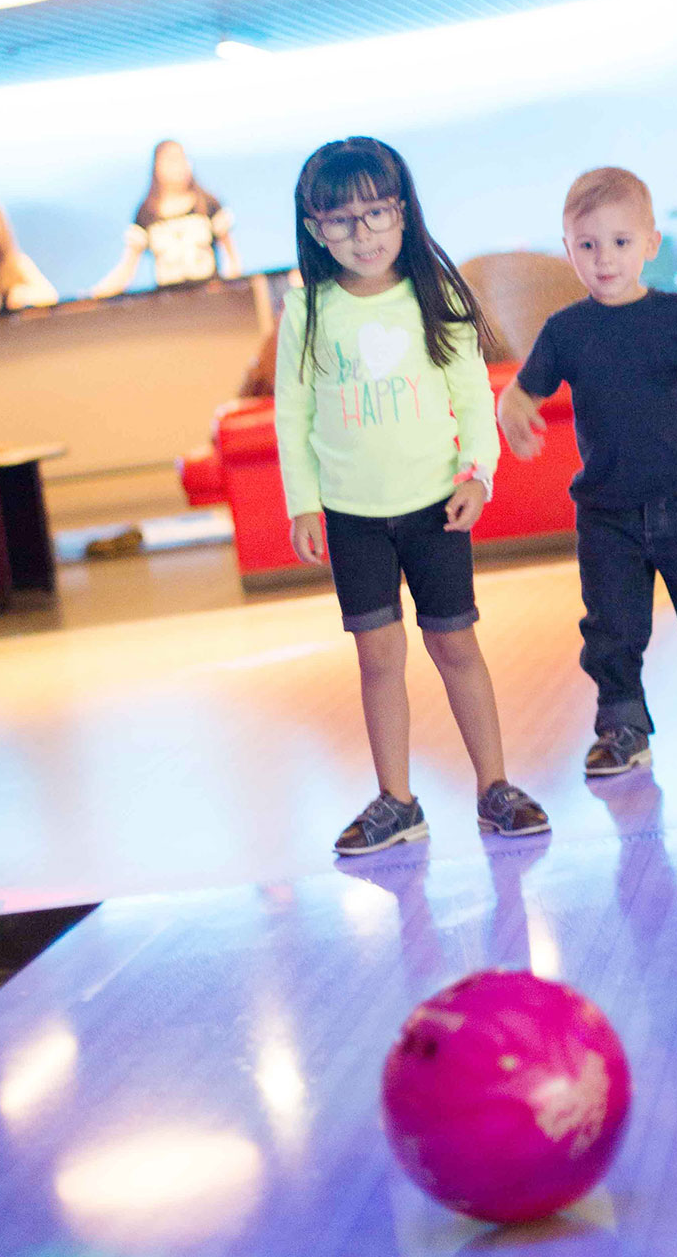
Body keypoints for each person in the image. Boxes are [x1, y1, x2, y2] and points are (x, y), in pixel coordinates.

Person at [274, 136, 548, 855]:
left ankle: (495, 787)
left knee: (455, 643)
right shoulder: (307, 311)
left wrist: (478, 475)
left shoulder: (437, 294)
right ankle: (397, 800)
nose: (361, 234)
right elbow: (292, 412)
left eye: (376, 214)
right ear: (313, 229)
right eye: (340, 220)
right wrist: (303, 502)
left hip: (435, 506)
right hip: (351, 516)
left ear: (404, 212)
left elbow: (470, 393)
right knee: (377, 657)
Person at [497, 166, 677, 777]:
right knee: (612, 630)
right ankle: (622, 726)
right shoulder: (565, 330)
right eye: (588, 245)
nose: (604, 260)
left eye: (621, 243)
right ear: (568, 248)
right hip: (607, 514)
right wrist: (512, 411)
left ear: (650, 244)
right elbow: (521, 391)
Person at [92, 140, 243, 296]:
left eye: (182, 159)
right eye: (171, 160)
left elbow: (232, 259)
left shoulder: (207, 203)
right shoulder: (147, 213)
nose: (179, 167)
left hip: (210, 298)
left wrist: (229, 289)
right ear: (157, 166)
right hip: (169, 304)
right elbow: (127, 268)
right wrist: (96, 294)